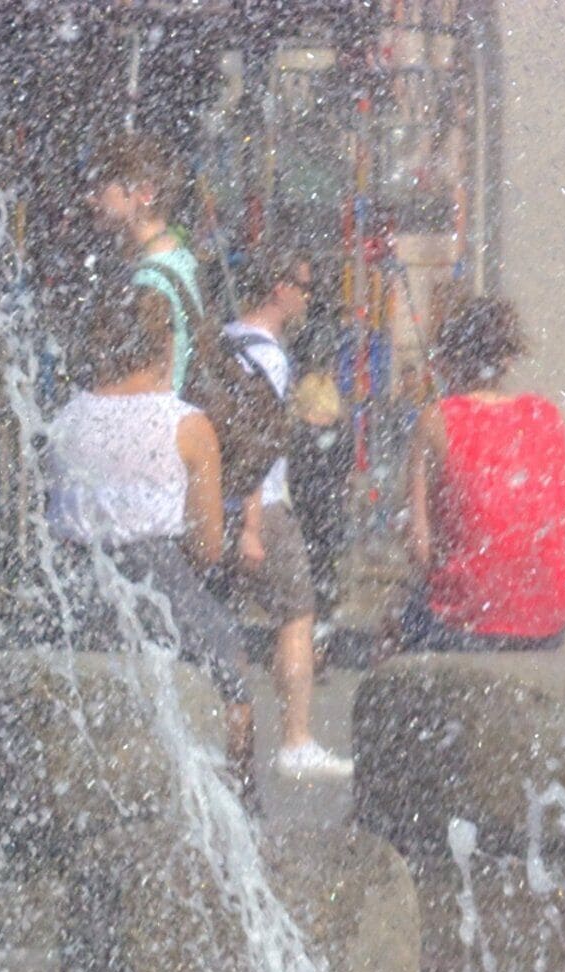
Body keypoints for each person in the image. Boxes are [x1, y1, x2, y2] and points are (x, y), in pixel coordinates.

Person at [43, 289, 258, 792]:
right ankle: (241, 808)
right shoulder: (186, 426)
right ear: (165, 346)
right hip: (157, 581)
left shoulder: (64, 421)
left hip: (78, 585)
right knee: (231, 675)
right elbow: (206, 546)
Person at [214, 256, 345, 780]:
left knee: (220, 622)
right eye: (306, 289)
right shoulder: (269, 357)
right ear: (280, 287)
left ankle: (230, 740)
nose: (309, 300)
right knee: (297, 613)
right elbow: (252, 442)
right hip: (260, 502)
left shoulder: (223, 339)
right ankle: (295, 739)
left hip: (213, 503)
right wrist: (251, 519)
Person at [401, 296, 565, 654]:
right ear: (508, 358)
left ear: (447, 360)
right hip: (546, 619)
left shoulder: (436, 420)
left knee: (401, 627)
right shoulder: (545, 416)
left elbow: (418, 543)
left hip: (466, 621)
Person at [86, 135, 208, 393]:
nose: (90, 199)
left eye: (99, 189)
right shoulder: (181, 255)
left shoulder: (151, 280)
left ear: (145, 193)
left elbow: (156, 379)